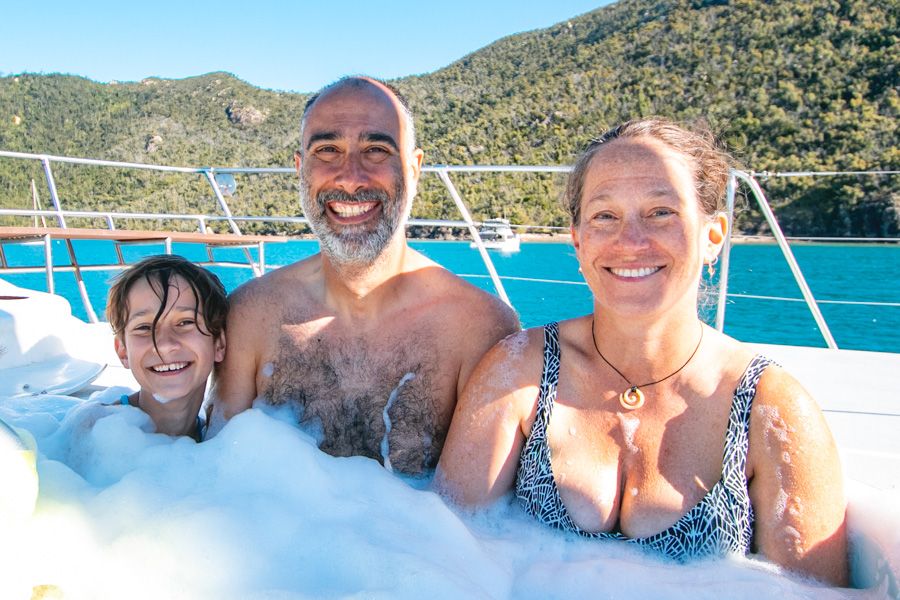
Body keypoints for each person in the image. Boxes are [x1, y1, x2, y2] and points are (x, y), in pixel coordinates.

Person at [435, 119, 848, 585]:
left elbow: (815, 593)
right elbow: (440, 559)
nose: (630, 242)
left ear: (713, 236)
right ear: (578, 240)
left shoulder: (769, 409)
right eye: (604, 216)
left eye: (660, 212)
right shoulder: (519, 372)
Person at [212, 76, 519, 475]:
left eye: (376, 150)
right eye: (327, 150)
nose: (350, 177)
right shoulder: (252, 315)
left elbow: (475, 506)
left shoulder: (477, 329)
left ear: (414, 169)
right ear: (301, 169)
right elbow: (214, 474)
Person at [105, 254, 228, 441]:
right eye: (144, 327)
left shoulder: (218, 442)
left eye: (185, 322)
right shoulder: (94, 433)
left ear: (218, 343)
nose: (164, 345)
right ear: (123, 351)